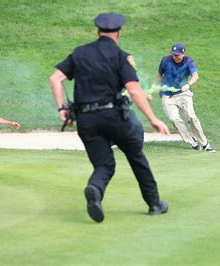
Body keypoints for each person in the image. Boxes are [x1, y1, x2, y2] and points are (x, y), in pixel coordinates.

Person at [49, 13, 171, 223]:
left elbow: (55, 78)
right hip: (113, 117)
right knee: (136, 157)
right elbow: (133, 90)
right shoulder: (120, 56)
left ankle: (95, 189)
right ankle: (154, 204)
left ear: (98, 32)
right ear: (118, 33)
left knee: (104, 164)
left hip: (85, 121)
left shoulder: (79, 53)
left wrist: (62, 108)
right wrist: (153, 119)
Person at [156, 43, 216, 152]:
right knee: (174, 119)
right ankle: (191, 141)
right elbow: (159, 74)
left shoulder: (189, 62)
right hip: (167, 95)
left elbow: (195, 76)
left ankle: (205, 143)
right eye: (174, 55)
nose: (175, 57)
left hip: (183, 93)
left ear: (183, 54)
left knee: (192, 116)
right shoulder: (165, 60)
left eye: (178, 55)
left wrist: (188, 85)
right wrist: (159, 88)